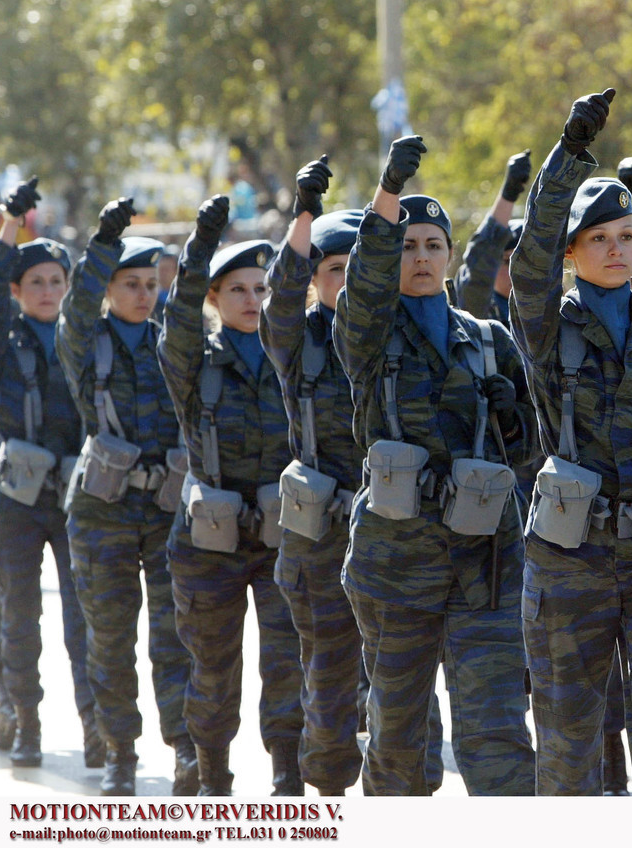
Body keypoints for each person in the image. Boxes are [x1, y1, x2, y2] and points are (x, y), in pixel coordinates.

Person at [510, 89, 632, 796]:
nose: (621, 250)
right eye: (601, 239)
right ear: (573, 252)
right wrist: (569, 156)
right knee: (568, 739)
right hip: (571, 563)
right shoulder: (547, 326)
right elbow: (528, 264)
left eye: (627, 237)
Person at [334, 136, 537, 796]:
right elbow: (363, 284)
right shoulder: (367, 335)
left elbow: (531, 451)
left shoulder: (488, 340)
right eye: (406, 245)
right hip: (396, 564)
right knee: (398, 738)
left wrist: (512, 419)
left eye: (431, 245)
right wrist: (386, 195)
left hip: (486, 561)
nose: (419, 257)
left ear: (450, 258)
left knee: (498, 731)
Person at [157, 196, 304, 796]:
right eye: (238, 290)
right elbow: (178, 319)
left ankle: (287, 772)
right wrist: (198, 249)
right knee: (213, 668)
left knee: (287, 663)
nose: (253, 300)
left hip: (282, 537)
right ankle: (212, 771)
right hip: (208, 542)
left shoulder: (294, 356)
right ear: (216, 298)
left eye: (262, 289)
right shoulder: (194, 363)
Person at [56, 197, 194, 795]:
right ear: (110, 289)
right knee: (109, 637)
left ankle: (187, 748)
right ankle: (119, 752)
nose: (144, 295)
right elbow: (75, 310)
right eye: (130, 284)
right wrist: (104, 242)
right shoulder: (89, 345)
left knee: (175, 636)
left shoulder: (174, 345)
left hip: (165, 510)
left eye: (151, 284)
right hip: (103, 512)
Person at [259, 156, 365, 796]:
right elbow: (279, 294)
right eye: (336, 272)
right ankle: (326, 794)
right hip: (322, 536)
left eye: (361, 270)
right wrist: (304, 212)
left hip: (399, 534)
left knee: (404, 685)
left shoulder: (406, 337)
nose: (350, 282)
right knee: (329, 678)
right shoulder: (299, 340)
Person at [0, 177, 96, 770]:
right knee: (19, 620)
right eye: (36, 283)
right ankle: (24, 720)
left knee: (88, 624)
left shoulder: (84, 341)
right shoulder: (0, 341)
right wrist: (10, 221)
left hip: (78, 497)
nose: (49, 291)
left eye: (57, 281)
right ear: (16, 290)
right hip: (17, 500)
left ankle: (95, 727)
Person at [452, 150, 530, 324]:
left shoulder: (554, 312)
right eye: (507, 261)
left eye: (526, 262)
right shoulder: (480, 311)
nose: (516, 271)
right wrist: (508, 195)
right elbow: (478, 272)